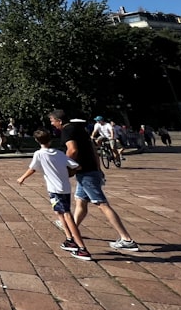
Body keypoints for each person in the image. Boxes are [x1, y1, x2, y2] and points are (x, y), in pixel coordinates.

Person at [49, 110, 140, 252]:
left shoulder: (67, 130)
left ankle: (126, 239)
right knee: (81, 201)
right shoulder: (80, 129)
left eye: (52, 121)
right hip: (90, 170)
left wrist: (65, 167)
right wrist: (98, 168)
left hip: (85, 172)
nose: (52, 124)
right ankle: (72, 230)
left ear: (59, 121)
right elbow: (93, 149)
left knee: (102, 204)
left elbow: (72, 150)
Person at [17, 129, 92, 261]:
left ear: (36, 140)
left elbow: (33, 168)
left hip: (55, 189)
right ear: (50, 140)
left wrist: (22, 178)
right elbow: (76, 166)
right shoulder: (59, 153)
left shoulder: (39, 154)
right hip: (65, 188)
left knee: (67, 215)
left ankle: (82, 248)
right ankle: (70, 239)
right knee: (59, 212)